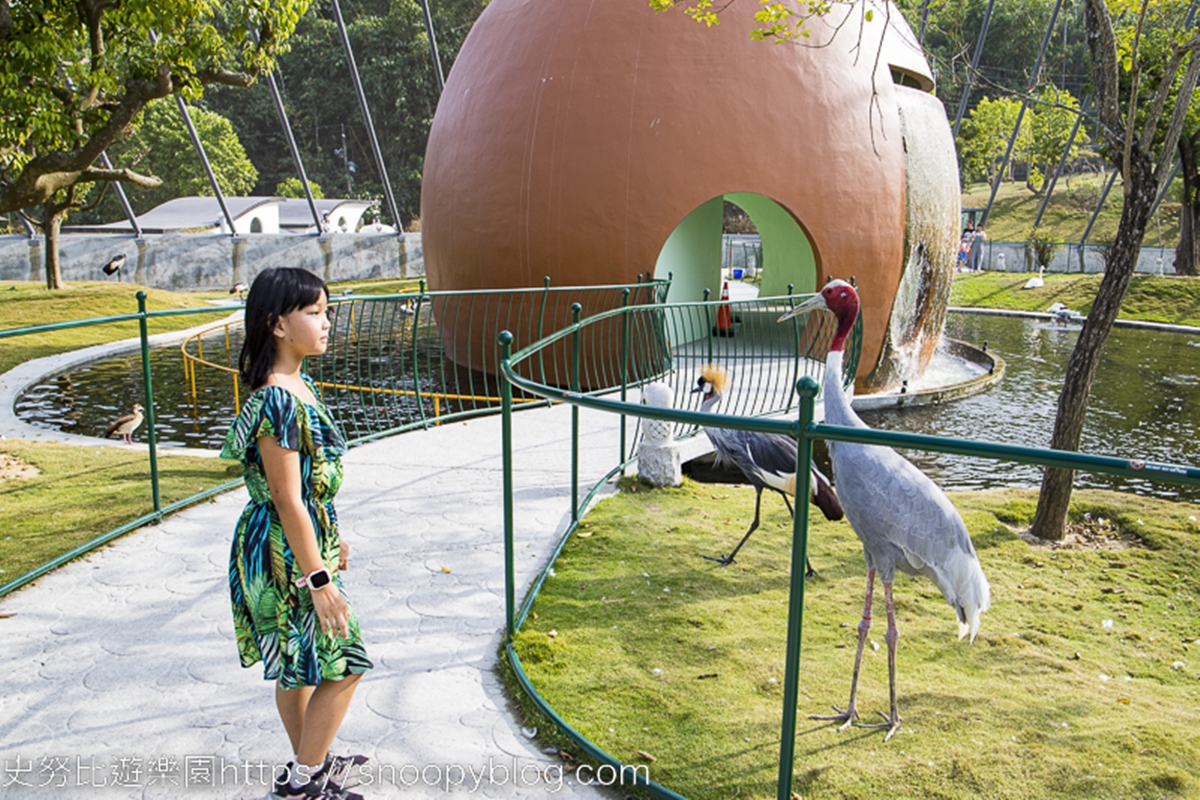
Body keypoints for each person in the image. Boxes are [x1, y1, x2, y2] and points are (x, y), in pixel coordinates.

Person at [221, 267, 373, 800]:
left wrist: (331, 542)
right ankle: (305, 780)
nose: (326, 322)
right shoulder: (279, 400)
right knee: (346, 660)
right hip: (282, 554)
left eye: (325, 310)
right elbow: (286, 497)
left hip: (293, 545)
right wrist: (319, 575)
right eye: (314, 312)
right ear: (277, 325)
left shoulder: (297, 385)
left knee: (299, 666)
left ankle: (312, 762)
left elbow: (306, 493)